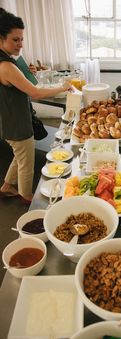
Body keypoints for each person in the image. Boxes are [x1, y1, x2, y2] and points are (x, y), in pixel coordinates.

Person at [0, 8, 72, 203]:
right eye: (15, 40)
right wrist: (62, 87)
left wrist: (27, 72)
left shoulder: (6, 62)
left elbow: (21, 84)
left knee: (20, 155)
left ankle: (6, 186)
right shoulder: (6, 66)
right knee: (26, 162)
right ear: (1, 38)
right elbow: (35, 92)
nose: (20, 44)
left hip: (9, 120)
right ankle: (26, 196)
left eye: (21, 39)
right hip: (17, 122)